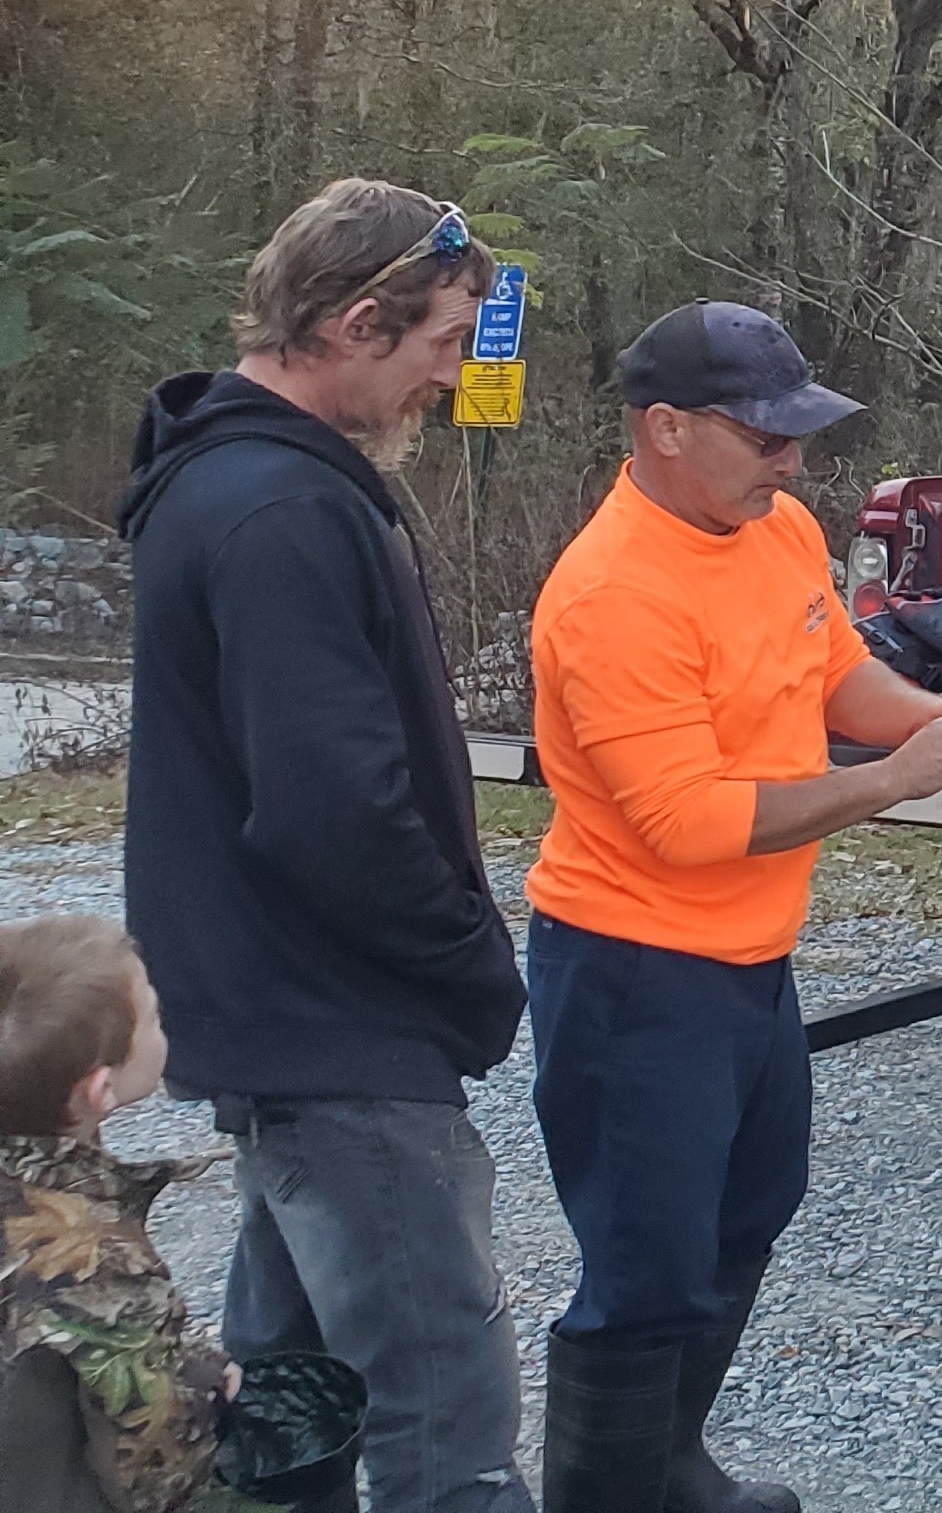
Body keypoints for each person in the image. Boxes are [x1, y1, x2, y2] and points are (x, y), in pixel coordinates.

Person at [522, 302, 942, 1513]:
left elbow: (834, 672)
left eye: (797, 436)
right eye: (765, 439)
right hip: (631, 969)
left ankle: (673, 1464)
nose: (792, 463)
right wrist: (892, 785)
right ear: (665, 430)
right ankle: (605, 1496)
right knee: (645, 1270)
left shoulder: (778, 527)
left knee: (749, 1212)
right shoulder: (611, 596)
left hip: (751, 960)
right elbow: (687, 823)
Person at [112, 180, 535, 1513]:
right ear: (358, 322)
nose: (445, 381)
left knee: (296, 1410)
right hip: (337, 1031)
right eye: (437, 349)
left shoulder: (249, 485)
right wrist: (471, 961)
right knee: (439, 1423)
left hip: (284, 1022)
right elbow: (332, 807)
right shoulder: (277, 510)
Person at [0, 914, 238, 1513]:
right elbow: (153, 1465)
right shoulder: (91, 1255)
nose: (164, 1026)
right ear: (99, 1091)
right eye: (153, 1016)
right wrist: (206, 1392)